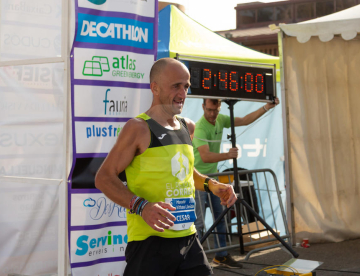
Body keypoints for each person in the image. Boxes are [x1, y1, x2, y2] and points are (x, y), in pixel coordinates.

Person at [95, 58, 238, 276]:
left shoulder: (187, 126)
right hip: (150, 243)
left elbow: (186, 173)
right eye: (176, 86)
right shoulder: (138, 128)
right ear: (155, 88)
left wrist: (213, 185)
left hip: (188, 239)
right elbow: (104, 178)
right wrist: (142, 207)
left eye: (186, 86)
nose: (183, 92)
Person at [193, 97, 279, 269]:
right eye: (209, 110)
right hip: (198, 180)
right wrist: (227, 155)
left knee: (221, 217)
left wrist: (267, 107)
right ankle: (194, 261)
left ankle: (221, 256)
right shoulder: (200, 127)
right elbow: (205, 156)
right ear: (203, 106)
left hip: (213, 178)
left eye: (215, 110)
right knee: (198, 223)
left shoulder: (221, 119)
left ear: (219, 107)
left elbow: (245, 120)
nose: (212, 114)